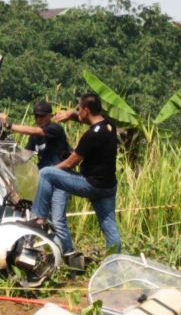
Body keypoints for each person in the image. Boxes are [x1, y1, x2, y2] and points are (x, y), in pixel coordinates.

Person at [31, 93, 121, 256]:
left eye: (79, 109)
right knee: (110, 227)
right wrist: (70, 115)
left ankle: (39, 218)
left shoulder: (91, 135)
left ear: (86, 110)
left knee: (46, 173)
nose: (77, 112)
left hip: (90, 184)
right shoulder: (109, 125)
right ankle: (116, 263)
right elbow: (85, 118)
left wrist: (53, 171)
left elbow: (70, 163)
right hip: (108, 186)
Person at [0, 101, 75, 256]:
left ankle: (69, 254)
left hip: (60, 181)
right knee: (38, 218)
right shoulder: (36, 138)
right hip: (45, 182)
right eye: (36, 116)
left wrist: (9, 125)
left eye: (42, 116)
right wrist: (3, 153)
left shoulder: (55, 129)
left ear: (50, 116)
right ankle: (44, 252)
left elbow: (35, 131)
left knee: (58, 220)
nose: (39, 119)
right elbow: (24, 156)